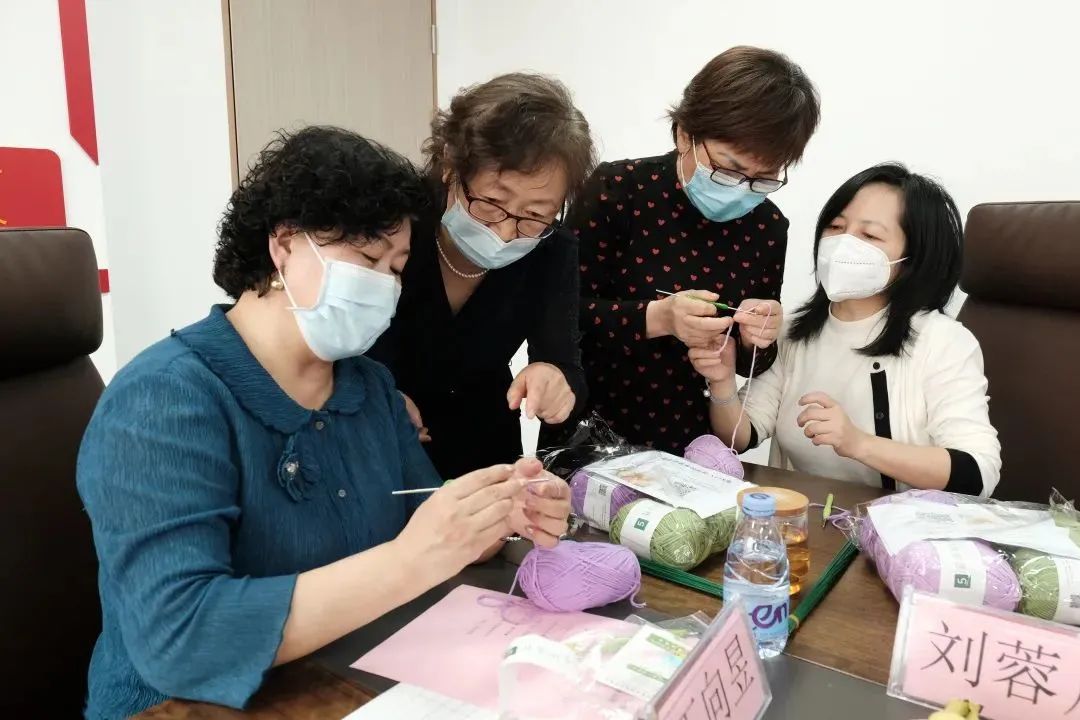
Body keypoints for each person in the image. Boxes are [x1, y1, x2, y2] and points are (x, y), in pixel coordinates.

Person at [76, 126, 572, 719]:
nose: (384, 286)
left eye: (397, 268)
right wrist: (409, 560)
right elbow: (180, 641)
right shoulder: (163, 401)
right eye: (367, 259)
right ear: (285, 244)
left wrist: (503, 510)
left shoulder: (368, 388)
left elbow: (430, 521)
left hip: (347, 683)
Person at [540, 46, 820, 454]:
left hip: (691, 444)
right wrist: (658, 317)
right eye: (727, 168)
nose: (742, 188)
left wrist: (757, 339)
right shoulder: (619, 189)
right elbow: (556, 313)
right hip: (589, 428)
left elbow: (751, 366)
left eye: (763, 179)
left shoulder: (767, 227)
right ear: (685, 133)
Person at [691, 163, 1001, 497]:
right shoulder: (794, 330)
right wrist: (722, 382)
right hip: (806, 519)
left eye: (870, 236)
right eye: (836, 226)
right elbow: (739, 436)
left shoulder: (944, 341)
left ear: (913, 258)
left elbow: (978, 473)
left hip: (901, 525)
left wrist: (858, 443)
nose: (842, 244)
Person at [368, 73, 595, 479]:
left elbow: (565, 367)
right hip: (376, 442)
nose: (505, 232)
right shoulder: (394, 220)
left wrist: (556, 381)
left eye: (535, 214)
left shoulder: (552, 249)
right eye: (491, 202)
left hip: (482, 452)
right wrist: (375, 394)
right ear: (451, 164)